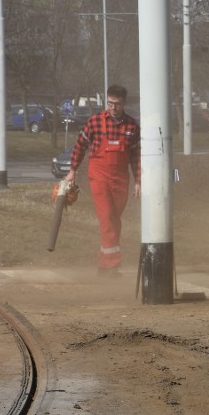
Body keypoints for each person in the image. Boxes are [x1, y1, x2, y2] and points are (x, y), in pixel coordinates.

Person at [64, 85, 140, 277]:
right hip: (99, 176)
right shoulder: (95, 122)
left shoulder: (132, 126)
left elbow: (136, 157)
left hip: (121, 179)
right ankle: (113, 265)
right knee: (106, 218)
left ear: (124, 103)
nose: (113, 107)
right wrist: (72, 171)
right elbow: (80, 147)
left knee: (114, 221)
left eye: (117, 104)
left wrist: (138, 181)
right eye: (110, 103)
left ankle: (104, 267)